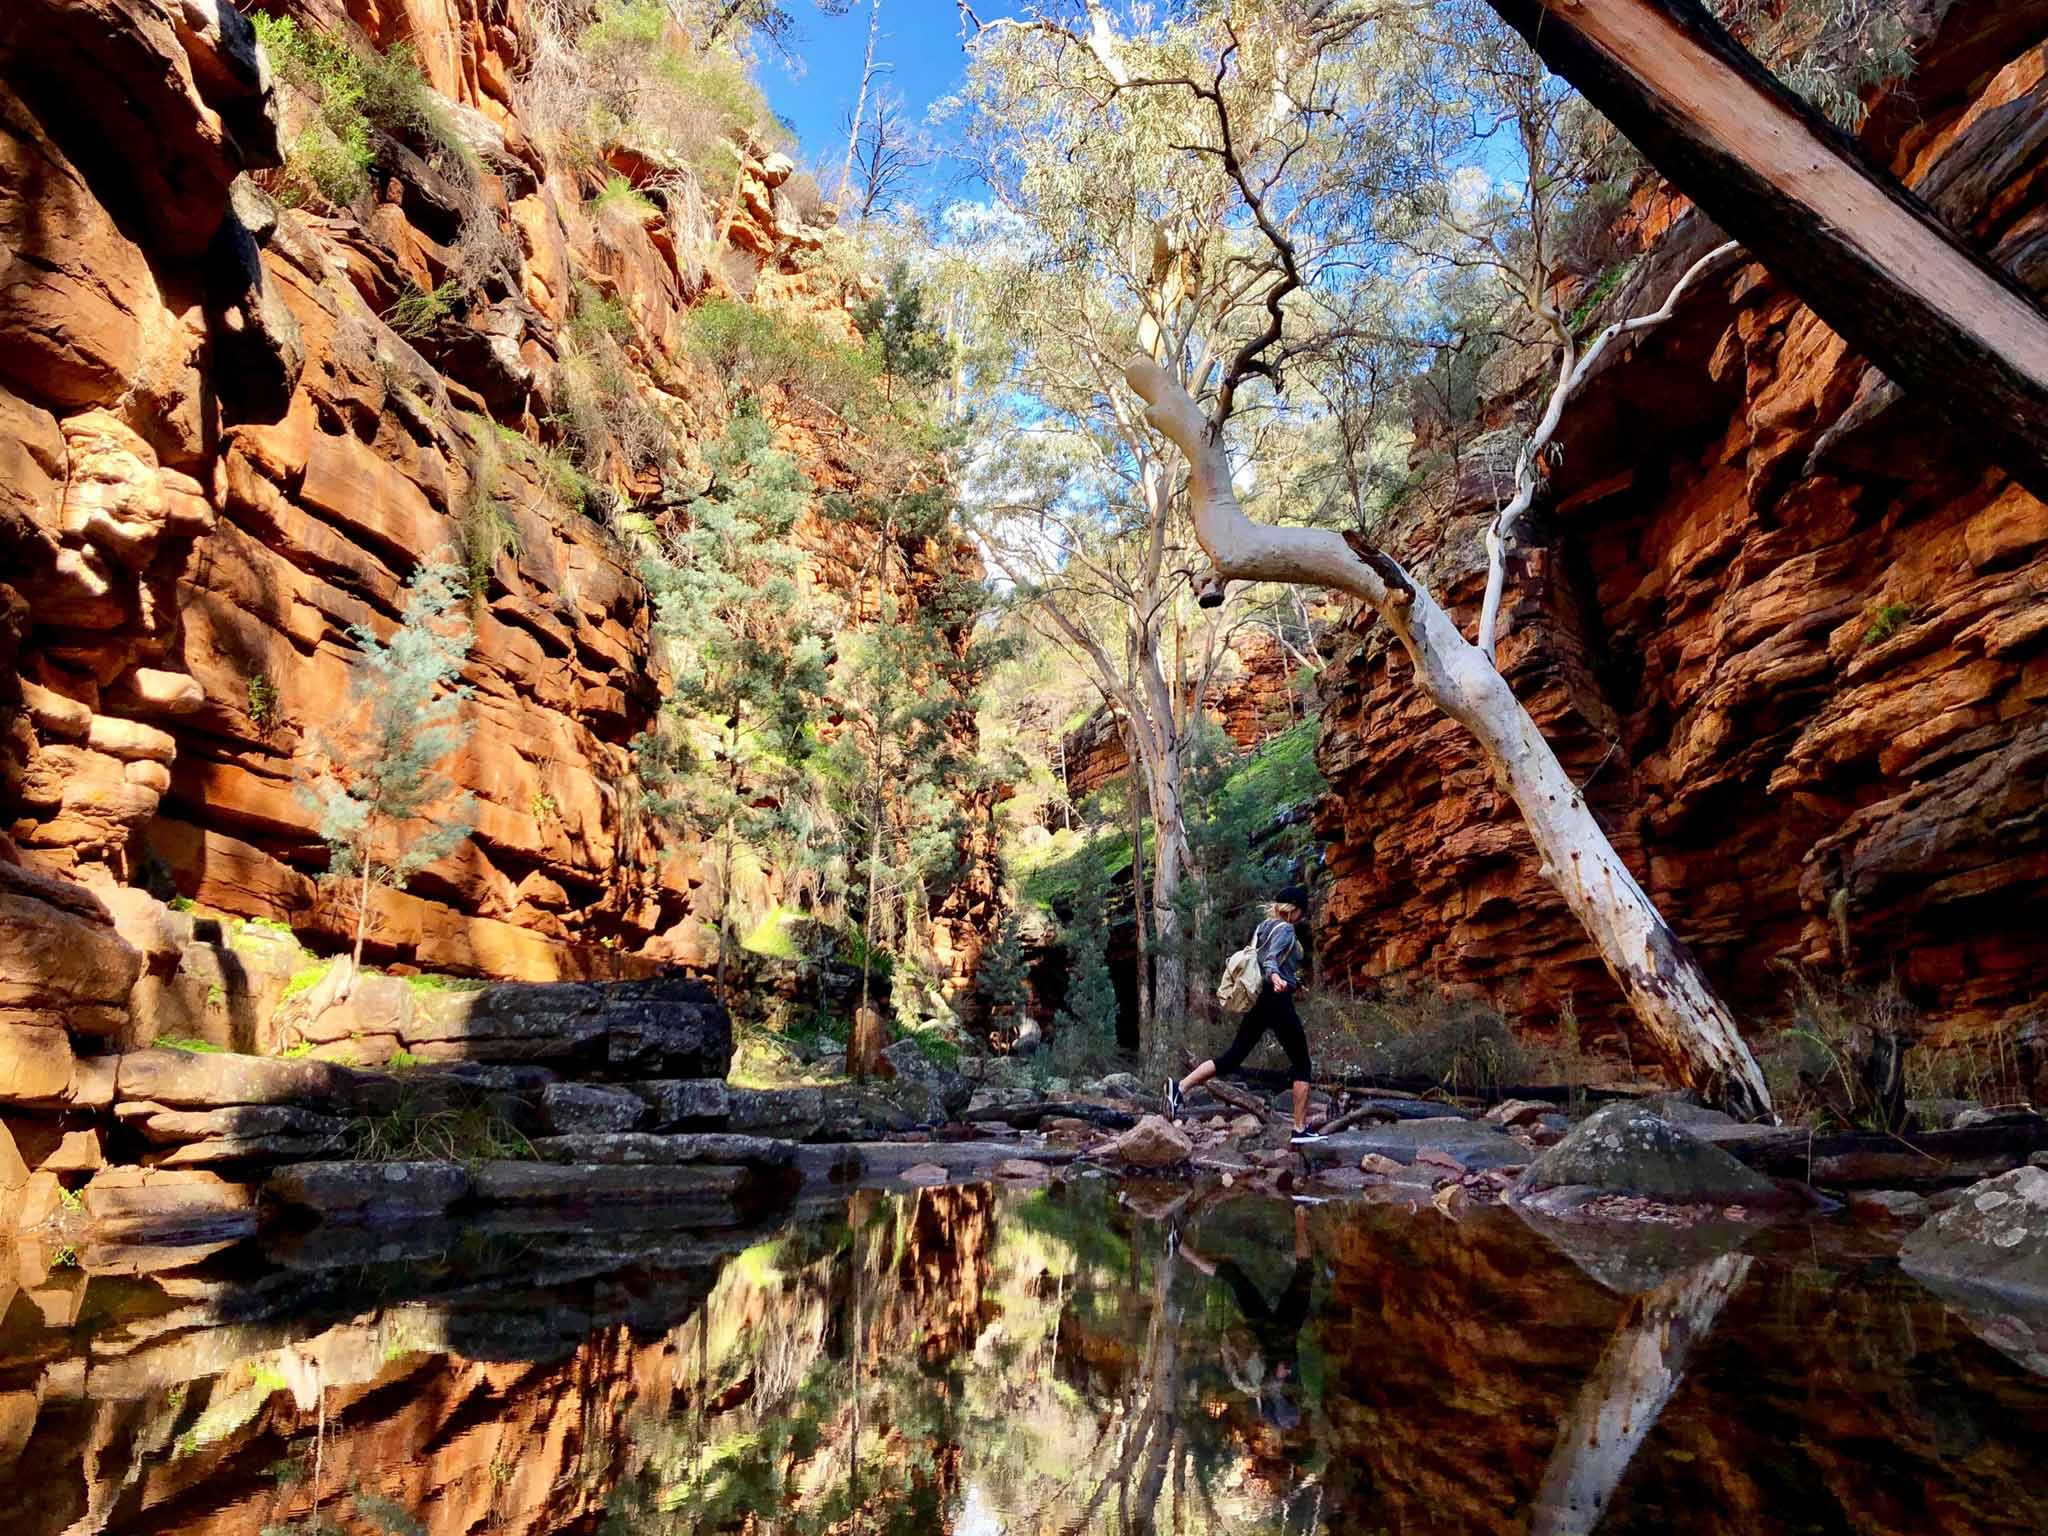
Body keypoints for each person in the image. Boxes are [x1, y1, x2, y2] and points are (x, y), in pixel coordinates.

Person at [1166, 884, 1321, 1143]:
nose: (1302, 917)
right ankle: (1299, 1129)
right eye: (1301, 912)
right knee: (1303, 1064)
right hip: (1276, 998)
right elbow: (1270, 959)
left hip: (1260, 999)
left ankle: (1179, 1088)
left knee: (1233, 1056)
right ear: (1294, 910)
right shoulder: (1285, 928)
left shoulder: (1263, 927)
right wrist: (1276, 977)